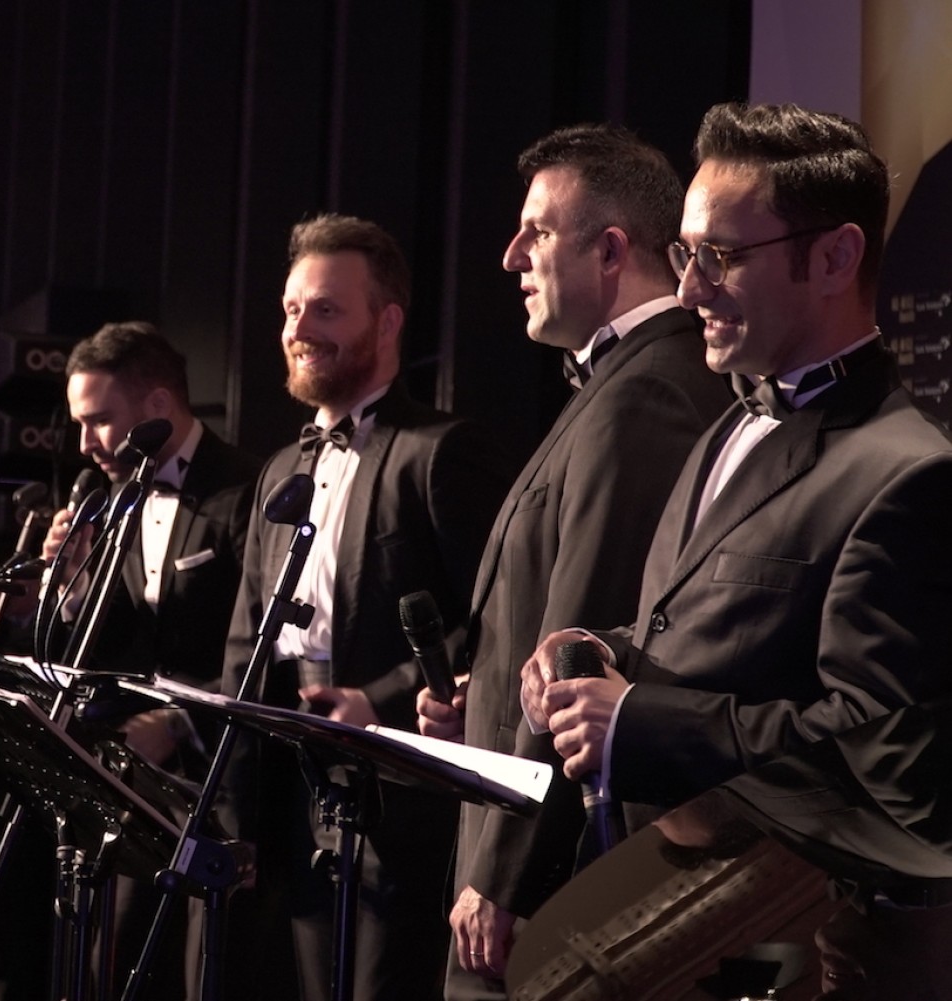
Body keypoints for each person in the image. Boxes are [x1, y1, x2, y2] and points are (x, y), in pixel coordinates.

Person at [523, 104, 952, 868]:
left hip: (787, 914)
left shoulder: (909, 473)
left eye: (719, 256)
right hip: (659, 881)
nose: (689, 290)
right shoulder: (729, 420)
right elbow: (700, 635)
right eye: (685, 253)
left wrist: (638, 722)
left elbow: (888, 761)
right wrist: (596, 650)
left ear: (836, 258)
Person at [414, 124, 732, 991]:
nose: (511, 256)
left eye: (538, 232)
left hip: (550, 878)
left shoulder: (647, 392)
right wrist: (483, 695)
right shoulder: (621, 383)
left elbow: (582, 647)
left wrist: (508, 873)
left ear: (612, 251)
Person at [220, 213, 511, 999]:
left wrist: (377, 702)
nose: (298, 329)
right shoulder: (279, 467)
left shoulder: (442, 451)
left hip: (401, 801)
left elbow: (493, 621)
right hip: (291, 791)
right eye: (291, 309)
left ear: (387, 323)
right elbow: (246, 644)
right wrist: (233, 815)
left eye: (325, 309)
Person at [38, 320, 261, 998]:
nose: (85, 443)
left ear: (158, 405)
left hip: (229, 776)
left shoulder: (247, 487)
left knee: (204, 971)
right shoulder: (115, 499)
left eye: (99, 420)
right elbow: (115, 647)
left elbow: (262, 648)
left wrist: (181, 720)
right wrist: (72, 587)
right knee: (116, 960)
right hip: (141, 782)